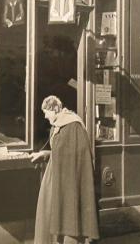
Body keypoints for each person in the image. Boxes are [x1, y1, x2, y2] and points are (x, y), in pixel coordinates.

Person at [31, 95, 99, 244]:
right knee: (48, 209)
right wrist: (45, 153)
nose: (45, 116)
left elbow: (77, 154)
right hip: (56, 174)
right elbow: (60, 152)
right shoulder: (58, 125)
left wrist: (54, 156)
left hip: (68, 178)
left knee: (66, 211)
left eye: (46, 112)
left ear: (55, 109)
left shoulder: (73, 124)